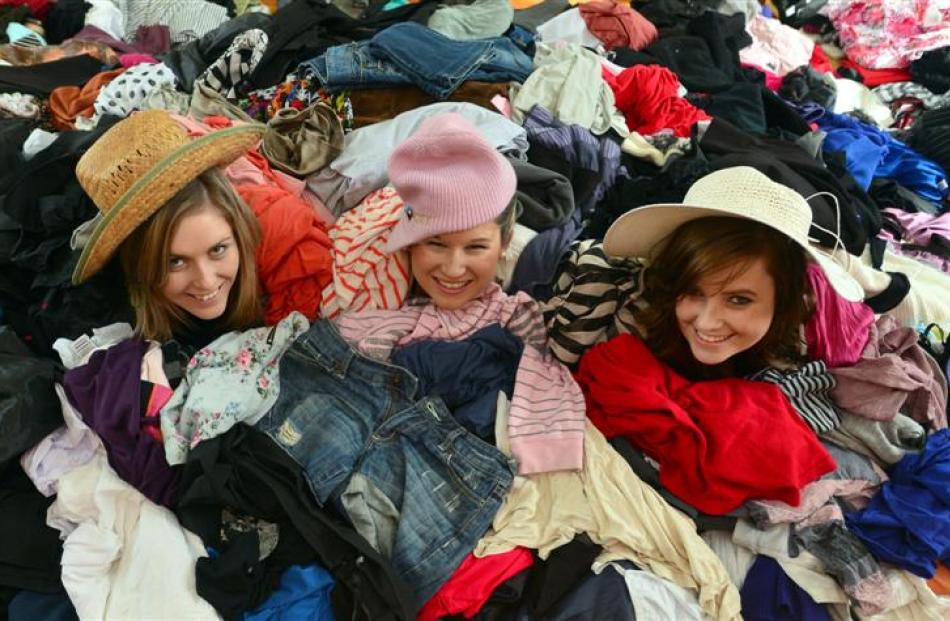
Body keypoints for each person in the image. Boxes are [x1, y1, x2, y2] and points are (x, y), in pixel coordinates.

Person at [602, 165, 865, 380]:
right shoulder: (630, 319)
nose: (706, 322)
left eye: (738, 299)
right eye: (692, 291)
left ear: (783, 298)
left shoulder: (799, 346)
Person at [71, 109, 266, 347]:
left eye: (218, 249)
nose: (205, 281)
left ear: (240, 233)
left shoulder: (281, 269)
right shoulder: (114, 326)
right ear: (139, 264)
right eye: (175, 262)